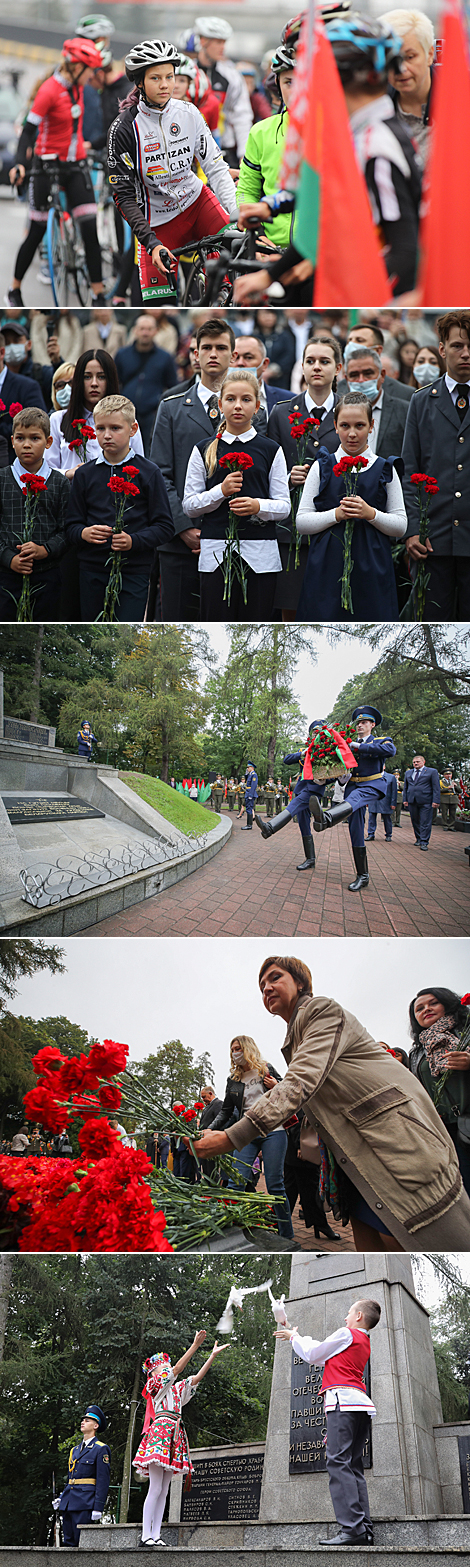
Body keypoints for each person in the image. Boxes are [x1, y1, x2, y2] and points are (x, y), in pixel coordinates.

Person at [195, 954, 470, 1250]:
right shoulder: (294, 1035)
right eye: (261, 986)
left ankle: (287, 1234)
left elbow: (298, 1082)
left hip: (393, 1142)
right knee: (368, 1237)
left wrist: (230, 1137)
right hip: (355, 1148)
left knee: (412, 1232)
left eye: (275, 978)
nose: (267, 988)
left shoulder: (321, 1010)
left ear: (300, 983)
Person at [106, 39, 237, 306]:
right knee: (159, 306)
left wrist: (237, 215)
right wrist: (150, 242)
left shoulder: (189, 113)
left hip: (198, 204)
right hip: (156, 224)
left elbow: (215, 166)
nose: (166, 84)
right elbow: (123, 197)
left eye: (170, 76)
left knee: (239, 260)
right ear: (139, 82)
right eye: (155, 78)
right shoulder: (123, 128)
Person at [182, 368, 290, 620]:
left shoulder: (271, 449)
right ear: (220, 404)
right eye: (230, 399)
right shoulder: (204, 449)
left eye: (246, 399)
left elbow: (284, 506)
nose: (237, 406)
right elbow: (189, 505)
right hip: (216, 553)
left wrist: (257, 506)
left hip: (260, 556)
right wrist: (220, 491)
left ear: (258, 405)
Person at [7, 37, 104, 308]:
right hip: (47, 165)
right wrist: (20, 165)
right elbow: (28, 132)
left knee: (89, 227)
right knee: (37, 229)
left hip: (75, 165)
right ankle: (14, 290)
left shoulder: (79, 89)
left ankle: (98, 295)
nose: (92, 76)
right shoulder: (49, 90)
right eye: (89, 70)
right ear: (75, 66)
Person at [275, 1298, 380, 1545]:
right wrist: (294, 1334)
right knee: (353, 1466)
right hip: (359, 1405)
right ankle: (363, 1527)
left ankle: (352, 1529)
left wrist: (293, 1337)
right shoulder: (362, 1341)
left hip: (342, 1403)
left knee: (338, 1463)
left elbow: (313, 1353)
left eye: (349, 1311)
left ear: (358, 1317)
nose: (345, 1317)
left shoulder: (346, 1333)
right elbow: (320, 1354)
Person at [150, 318, 235, 620]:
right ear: (194, 354)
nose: (213, 353)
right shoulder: (171, 407)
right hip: (180, 543)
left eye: (221, 347)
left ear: (232, 356)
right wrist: (184, 527)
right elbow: (160, 473)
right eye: (206, 347)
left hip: (232, 540)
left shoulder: (250, 410)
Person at [295, 394, 406, 624]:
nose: (352, 433)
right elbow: (302, 522)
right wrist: (336, 514)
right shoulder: (322, 466)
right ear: (335, 426)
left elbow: (401, 525)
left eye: (360, 426)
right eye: (345, 426)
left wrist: (370, 514)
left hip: (372, 567)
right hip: (326, 567)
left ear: (371, 426)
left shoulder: (385, 469)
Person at [64, 393, 173, 620]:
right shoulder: (85, 473)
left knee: (126, 627)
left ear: (132, 429)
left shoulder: (149, 472)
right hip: (92, 570)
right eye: (101, 428)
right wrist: (84, 532)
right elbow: (70, 525)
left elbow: (164, 526)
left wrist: (133, 540)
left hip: (134, 570)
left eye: (115, 428)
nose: (107, 435)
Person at [401, 312, 470, 619]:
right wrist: (413, 530)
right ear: (441, 349)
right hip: (433, 540)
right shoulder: (421, 401)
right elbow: (410, 472)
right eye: (457, 346)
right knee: (433, 620)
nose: (466, 353)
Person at [268, 336, 343, 618]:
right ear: (301, 366)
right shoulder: (281, 412)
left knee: (330, 608)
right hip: (291, 532)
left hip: (335, 526)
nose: (317, 367)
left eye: (324, 361)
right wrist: (288, 477)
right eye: (310, 361)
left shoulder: (348, 411)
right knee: (291, 608)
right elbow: (268, 472)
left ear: (338, 368)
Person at [133, 1334, 227, 1546]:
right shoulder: (154, 1385)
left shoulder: (175, 1390)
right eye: (162, 1366)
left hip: (173, 1435)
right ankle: (145, 1535)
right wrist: (194, 1346)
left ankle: (155, 1535)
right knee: (155, 1487)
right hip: (159, 1433)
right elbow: (177, 1370)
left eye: (166, 1365)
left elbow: (194, 1379)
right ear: (154, 1372)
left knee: (164, 1489)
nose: (167, 1367)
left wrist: (211, 1357)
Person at [210, 1034, 294, 1240]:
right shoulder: (233, 1080)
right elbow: (226, 1112)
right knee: (235, 1182)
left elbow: (290, 1092)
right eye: (232, 1050)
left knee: (275, 1185)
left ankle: (286, 1235)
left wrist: (277, 1085)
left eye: (238, 1048)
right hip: (247, 1132)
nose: (234, 1053)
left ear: (248, 1048)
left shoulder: (266, 1069)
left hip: (274, 1131)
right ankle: (232, 1232)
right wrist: (208, 1130)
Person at [309, 704, 397, 892]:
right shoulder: (345, 744)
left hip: (372, 785)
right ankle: (362, 875)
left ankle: (327, 818)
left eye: (364, 722)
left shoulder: (380, 741)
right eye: (358, 723)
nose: (360, 726)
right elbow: (342, 767)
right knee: (355, 830)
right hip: (353, 786)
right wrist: (335, 778)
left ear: (372, 725)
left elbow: (390, 751)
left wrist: (359, 746)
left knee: (355, 798)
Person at [0, 407, 69, 621]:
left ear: (48, 442)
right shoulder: (1, 479)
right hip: (6, 578)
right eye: (20, 438)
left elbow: (67, 530)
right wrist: (8, 558)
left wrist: (44, 550)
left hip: (47, 577)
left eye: (35, 438)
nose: (27, 444)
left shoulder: (60, 483)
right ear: (12, 441)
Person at [409, 988, 470, 1197]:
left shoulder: (465, 1033)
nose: (426, 1009)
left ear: (447, 1004)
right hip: (444, 1131)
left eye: (432, 1003)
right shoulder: (418, 1051)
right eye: (419, 1009)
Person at [236, 43, 297, 248]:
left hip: (318, 253)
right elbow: (246, 189)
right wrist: (258, 235)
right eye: (289, 82)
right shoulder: (261, 132)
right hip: (269, 247)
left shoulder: (334, 130)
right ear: (278, 85)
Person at [48, 349, 145, 477]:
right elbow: (47, 471)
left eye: (101, 377)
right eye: (87, 377)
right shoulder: (57, 420)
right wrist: (68, 473)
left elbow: (138, 469)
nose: (94, 383)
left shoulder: (127, 421)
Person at [254, 720, 327, 872]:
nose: (316, 733)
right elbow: (287, 760)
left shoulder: (328, 750)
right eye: (314, 731)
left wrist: (325, 780)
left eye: (319, 730)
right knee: (303, 824)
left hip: (314, 790)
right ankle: (310, 859)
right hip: (301, 788)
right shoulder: (305, 750)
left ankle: (270, 827)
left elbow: (335, 773)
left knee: (293, 805)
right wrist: (302, 753)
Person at [195, 16, 253, 165]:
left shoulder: (232, 75)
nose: (223, 47)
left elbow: (242, 116)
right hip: (191, 150)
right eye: (218, 42)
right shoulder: (188, 72)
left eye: (225, 42)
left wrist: (244, 154)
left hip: (224, 149)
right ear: (203, 41)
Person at [114, 317, 177, 454]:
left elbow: (172, 386)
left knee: (151, 451)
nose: (145, 333)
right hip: (125, 414)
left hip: (152, 414)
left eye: (149, 329)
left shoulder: (165, 357)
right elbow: (114, 382)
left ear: (156, 331)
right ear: (135, 330)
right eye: (142, 329)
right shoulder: (122, 354)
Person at [379, 8, 436, 159]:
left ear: (430, 55)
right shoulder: (375, 111)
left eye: (410, 57)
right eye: (392, 59)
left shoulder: (461, 102)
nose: (401, 69)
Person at [56, 1403, 110, 1547]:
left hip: (85, 1503)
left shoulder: (100, 1449)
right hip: (69, 1502)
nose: (83, 1422)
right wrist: (62, 1498)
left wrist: (98, 1507)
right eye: (83, 1420)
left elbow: (103, 1480)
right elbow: (71, 1479)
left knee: (82, 1545)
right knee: (67, 1543)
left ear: (96, 1426)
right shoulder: (75, 1450)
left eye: (87, 1420)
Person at [343, 346, 410, 458]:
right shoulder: (336, 412)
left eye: (368, 373)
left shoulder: (405, 411)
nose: (361, 380)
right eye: (354, 375)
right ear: (346, 379)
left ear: (382, 375)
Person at [230, 335, 292, 427]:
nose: (240, 363)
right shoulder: (215, 399)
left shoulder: (288, 401)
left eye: (248, 357)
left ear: (264, 364)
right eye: (235, 358)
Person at [402, 753, 441, 850]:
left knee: (425, 821)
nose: (416, 763)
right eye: (414, 762)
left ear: (423, 762)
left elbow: (436, 787)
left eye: (418, 762)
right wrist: (405, 799)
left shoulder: (432, 772)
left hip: (426, 800)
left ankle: (424, 841)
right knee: (415, 821)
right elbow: (406, 787)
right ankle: (418, 838)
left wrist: (436, 800)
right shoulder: (408, 773)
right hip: (412, 800)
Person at [367, 769, 397, 842]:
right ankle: (371, 834)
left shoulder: (391, 777)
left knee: (387, 819)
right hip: (373, 801)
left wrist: (393, 803)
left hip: (386, 801)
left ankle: (388, 834)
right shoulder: (371, 775)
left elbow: (394, 791)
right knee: (371, 818)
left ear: (384, 767)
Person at [241, 761, 258, 830]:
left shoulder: (254, 775)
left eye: (248, 767)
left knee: (249, 808)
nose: (247, 769)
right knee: (248, 808)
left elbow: (253, 786)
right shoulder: (250, 775)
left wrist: (250, 794)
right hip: (248, 793)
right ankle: (249, 824)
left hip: (250, 794)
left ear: (252, 767)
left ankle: (249, 825)